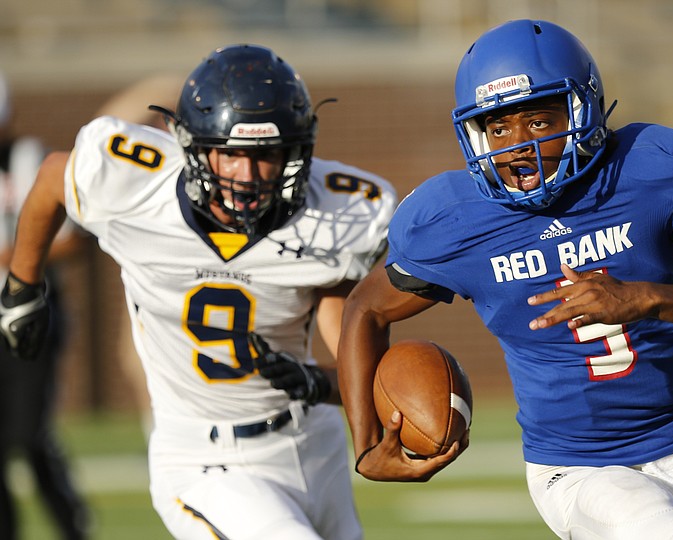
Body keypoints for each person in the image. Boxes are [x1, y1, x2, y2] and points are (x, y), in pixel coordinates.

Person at [337, 19, 673, 540]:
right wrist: (368, 443)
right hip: (582, 468)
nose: (514, 147)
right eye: (498, 127)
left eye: (537, 122)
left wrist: (645, 298)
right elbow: (365, 308)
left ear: (583, 110)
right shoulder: (455, 220)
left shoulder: (645, 171)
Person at [0, 45, 396, 540]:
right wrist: (23, 286)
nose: (247, 176)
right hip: (209, 459)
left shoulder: (336, 216)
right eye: (230, 154)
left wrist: (321, 382)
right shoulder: (133, 182)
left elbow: (348, 353)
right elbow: (52, 177)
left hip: (314, 445)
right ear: (192, 147)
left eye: (266, 155)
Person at [0, 69, 90, 540]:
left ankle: (72, 525)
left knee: (28, 437)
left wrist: (16, 258)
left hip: (26, 315)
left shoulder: (29, 158)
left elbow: (74, 238)